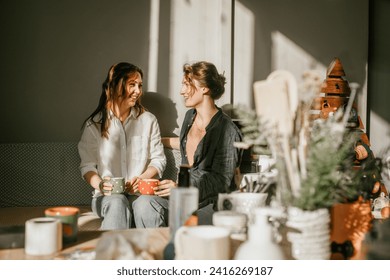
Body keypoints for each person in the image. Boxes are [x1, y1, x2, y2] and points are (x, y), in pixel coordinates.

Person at [78, 62, 166, 230]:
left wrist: (142, 178)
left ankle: (153, 252)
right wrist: (101, 185)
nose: (138, 91)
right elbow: (87, 166)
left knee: (145, 206)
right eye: (132, 85)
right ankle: (113, 253)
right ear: (116, 85)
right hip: (107, 196)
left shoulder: (148, 120)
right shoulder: (95, 125)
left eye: (140, 85)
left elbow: (158, 160)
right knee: (117, 202)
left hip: (140, 194)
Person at [156, 61, 243, 225]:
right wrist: (155, 142)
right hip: (182, 199)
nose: (182, 91)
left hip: (209, 205)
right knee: (145, 205)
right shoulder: (190, 117)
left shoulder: (227, 130)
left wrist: (181, 187)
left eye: (186, 85)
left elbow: (221, 180)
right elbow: (187, 143)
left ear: (204, 88)